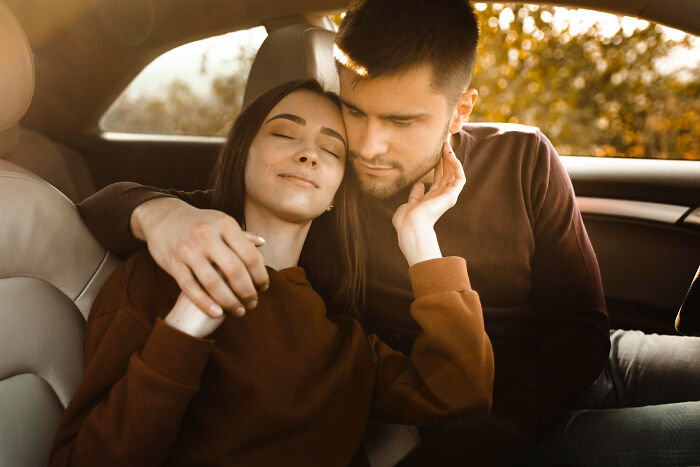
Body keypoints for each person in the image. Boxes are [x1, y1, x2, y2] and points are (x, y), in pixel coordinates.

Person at [77, 0, 700, 465]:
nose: (368, 145)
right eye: (354, 110)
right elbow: (127, 204)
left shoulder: (522, 157)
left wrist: (510, 424)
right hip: (474, 418)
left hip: (585, 371)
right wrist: (161, 215)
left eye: (402, 120)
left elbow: (580, 328)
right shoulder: (323, 183)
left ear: (462, 110)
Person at [49, 79, 494, 467]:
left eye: (332, 149)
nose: (308, 155)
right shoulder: (160, 277)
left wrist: (419, 236)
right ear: (238, 156)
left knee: (489, 443)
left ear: (337, 192)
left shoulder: (344, 339)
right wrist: (186, 323)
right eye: (285, 133)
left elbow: (463, 393)